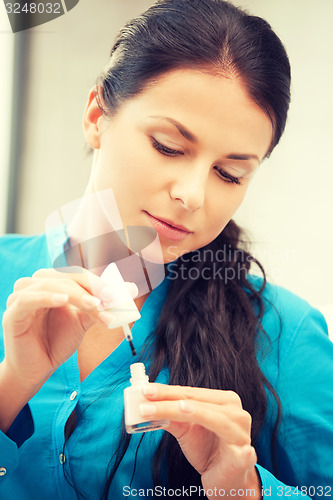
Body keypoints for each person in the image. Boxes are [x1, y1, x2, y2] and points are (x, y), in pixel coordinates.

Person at [0, 0, 332, 498]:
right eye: (168, 146)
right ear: (96, 115)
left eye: (229, 173)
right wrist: (12, 384)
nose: (192, 195)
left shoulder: (286, 333)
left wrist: (244, 490)